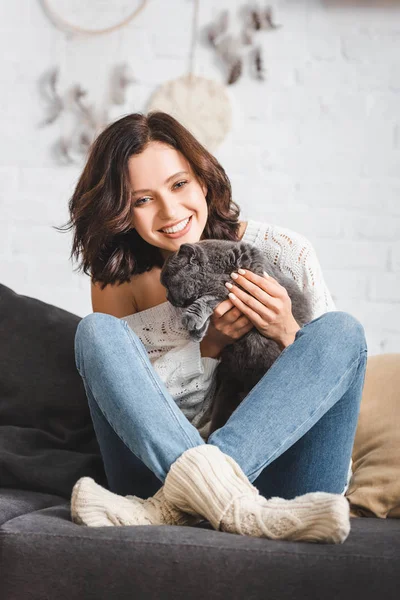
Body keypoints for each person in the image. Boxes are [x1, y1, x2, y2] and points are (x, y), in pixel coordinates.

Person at [64, 111, 368, 543]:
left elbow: (326, 395)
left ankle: (171, 509)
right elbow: (142, 422)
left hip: (283, 479)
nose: (170, 211)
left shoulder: (285, 252)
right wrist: (208, 349)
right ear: (121, 211)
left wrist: (286, 333)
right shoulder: (118, 283)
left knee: (343, 331)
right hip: (159, 470)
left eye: (179, 184)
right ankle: (236, 507)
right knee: (94, 332)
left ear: (203, 180)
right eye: (142, 199)